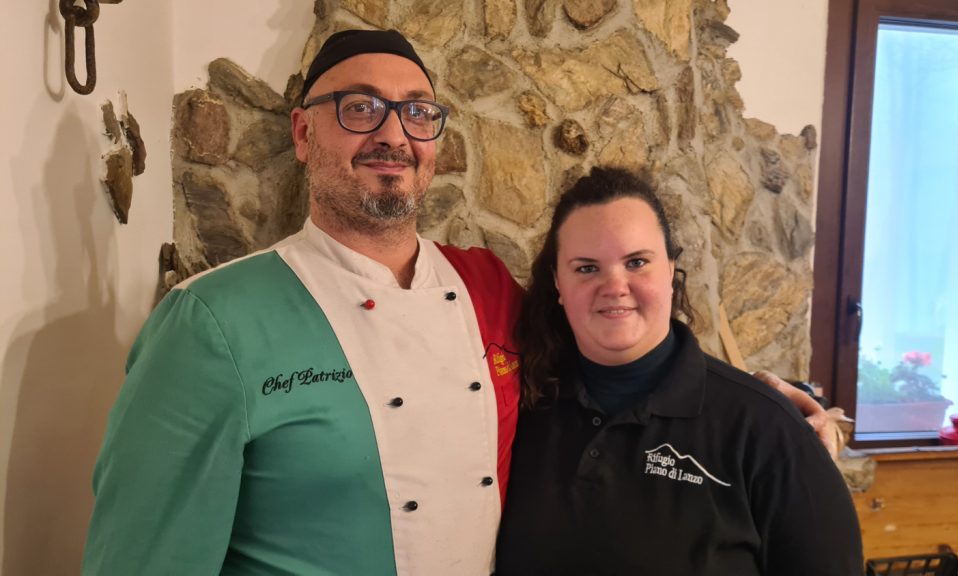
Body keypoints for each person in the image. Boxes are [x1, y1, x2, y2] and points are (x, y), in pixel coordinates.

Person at [82, 29, 836, 575]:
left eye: (417, 112)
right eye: (359, 109)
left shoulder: (484, 289)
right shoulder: (211, 322)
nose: (393, 134)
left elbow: (617, 351)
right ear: (304, 134)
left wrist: (764, 410)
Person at [495, 167, 863, 575]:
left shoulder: (766, 429)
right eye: (586, 268)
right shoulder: (520, 407)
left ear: (670, 269)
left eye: (636, 262)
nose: (615, 285)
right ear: (557, 282)